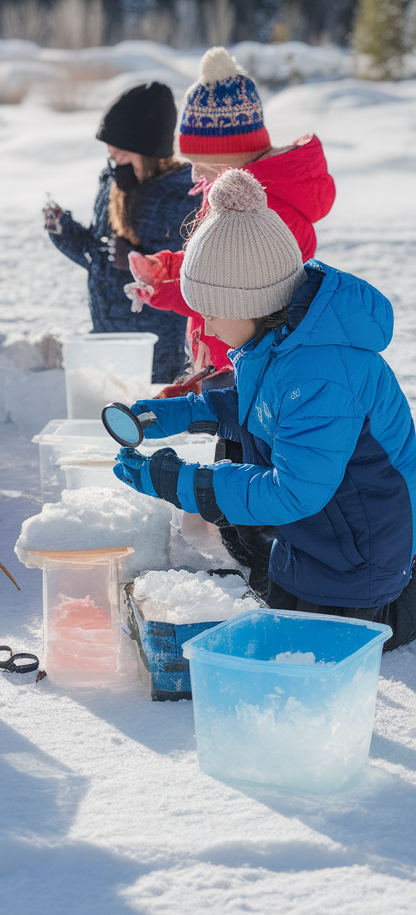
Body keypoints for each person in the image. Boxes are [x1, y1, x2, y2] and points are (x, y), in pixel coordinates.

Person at [114, 168, 416, 649]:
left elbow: (293, 492)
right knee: (281, 618)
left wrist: (182, 482)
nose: (206, 326)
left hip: (362, 554)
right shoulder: (281, 340)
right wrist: (184, 412)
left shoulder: (320, 374)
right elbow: (260, 406)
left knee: (321, 647)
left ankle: (405, 605)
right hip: (318, 535)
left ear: (250, 301)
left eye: (210, 311)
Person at [128, 47, 336, 378]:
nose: (195, 174)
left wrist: (167, 290)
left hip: (249, 374)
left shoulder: (265, 212)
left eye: (204, 164)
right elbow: (216, 264)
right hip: (223, 364)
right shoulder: (227, 192)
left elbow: (231, 297)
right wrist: (167, 267)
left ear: (235, 156)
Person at [43, 80, 200, 383]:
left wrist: (138, 260)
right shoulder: (113, 182)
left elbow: (192, 271)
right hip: (109, 337)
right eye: (109, 147)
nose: (112, 154)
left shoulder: (182, 195)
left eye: (120, 149)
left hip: (159, 347)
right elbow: (98, 255)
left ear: (148, 148)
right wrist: (64, 231)